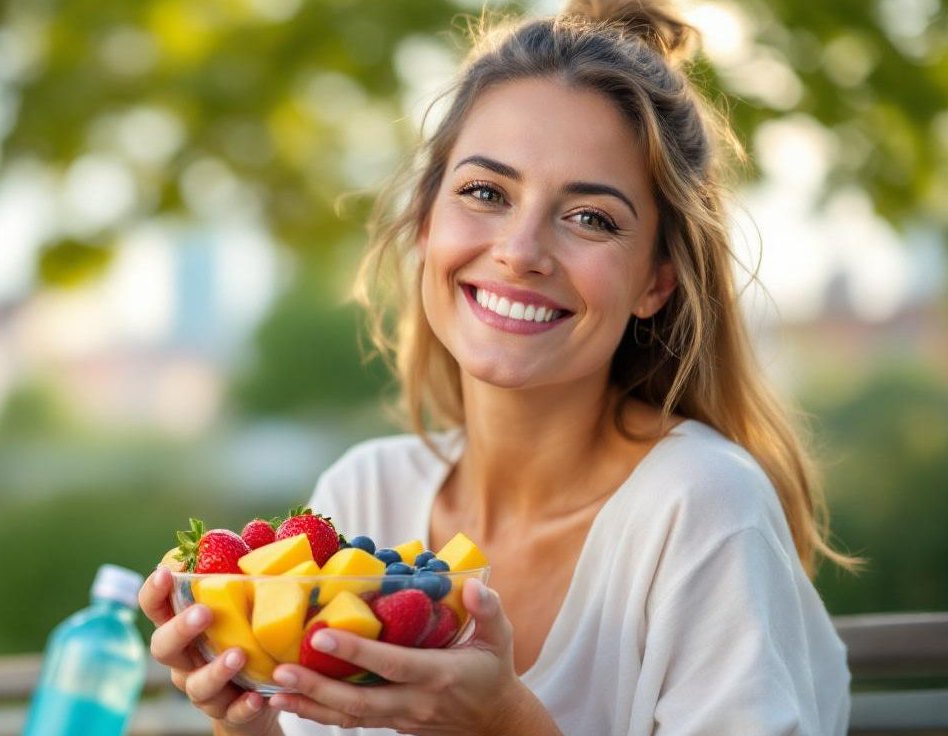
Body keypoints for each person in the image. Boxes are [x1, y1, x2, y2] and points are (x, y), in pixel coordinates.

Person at [138, 0, 855, 733]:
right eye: (485, 193)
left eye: (590, 218)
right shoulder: (364, 494)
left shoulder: (703, 508)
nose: (520, 250)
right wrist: (247, 718)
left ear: (655, 283)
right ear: (426, 223)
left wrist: (508, 724)